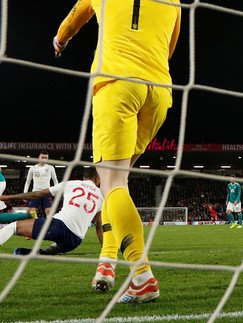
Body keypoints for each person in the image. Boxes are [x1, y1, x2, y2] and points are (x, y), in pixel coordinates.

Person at [54, 0, 181, 303]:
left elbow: (72, 21)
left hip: (117, 84)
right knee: (114, 183)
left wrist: (60, 40)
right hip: (159, 91)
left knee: (112, 184)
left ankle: (142, 274)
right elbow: (170, 46)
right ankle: (107, 262)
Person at [0, 167, 104, 257]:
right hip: (75, 240)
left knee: (13, 226)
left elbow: (39, 193)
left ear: (84, 177)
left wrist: (9, 197)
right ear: (97, 179)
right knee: (52, 249)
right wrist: (104, 249)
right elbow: (100, 226)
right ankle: (39, 252)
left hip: (59, 226)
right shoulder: (101, 197)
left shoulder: (72, 184)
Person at [24, 151, 59, 216]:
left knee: (48, 211)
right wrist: (25, 193)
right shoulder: (32, 168)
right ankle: (34, 224)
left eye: (46, 158)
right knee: (32, 212)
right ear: (39, 158)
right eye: (42, 157)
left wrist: (57, 193)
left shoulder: (51, 168)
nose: (44, 159)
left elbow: (55, 181)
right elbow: (28, 182)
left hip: (46, 192)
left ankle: (48, 225)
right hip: (35, 192)